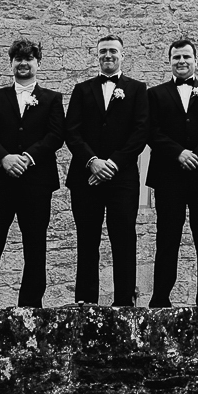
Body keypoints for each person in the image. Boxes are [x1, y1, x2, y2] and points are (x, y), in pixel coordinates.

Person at [0, 37, 66, 308]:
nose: (23, 64)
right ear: (11, 63)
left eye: (29, 59)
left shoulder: (51, 99)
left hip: (36, 183)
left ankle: (31, 305)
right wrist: (4, 157)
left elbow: (56, 135)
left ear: (38, 63)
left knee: (35, 245)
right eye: (18, 59)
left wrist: (27, 157)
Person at [63, 34, 147, 305]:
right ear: (97, 55)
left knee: (123, 238)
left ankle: (124, 301)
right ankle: (86, 303)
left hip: (122, 178)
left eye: (113, 51)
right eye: (103, 52)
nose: (108, 56)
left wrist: (114, 163)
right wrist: (93, 162)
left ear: (122, 55)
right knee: (87, 240)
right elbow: (71, 132)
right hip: (85, 177)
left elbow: (140, 131)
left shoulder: (137, 89)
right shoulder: (82, 89)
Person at [144, 38, 198, 306]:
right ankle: (160, 299)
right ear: (169, 61)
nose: (181, 62)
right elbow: (151, 131)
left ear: (195, 60)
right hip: (169, 176)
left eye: (186, 57)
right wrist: (178, 153)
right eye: (176, 57)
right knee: (167, 238)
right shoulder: (155, 94)